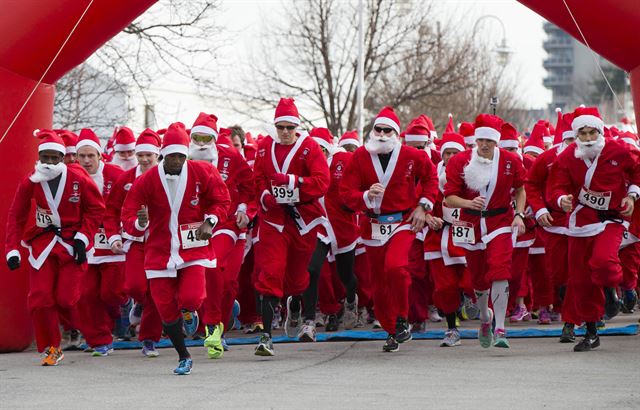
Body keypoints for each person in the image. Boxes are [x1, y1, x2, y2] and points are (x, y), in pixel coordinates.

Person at [122, 122, 231, 374]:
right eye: (171, 156)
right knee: (165, 309)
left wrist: (211, 220)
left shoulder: (202, 172)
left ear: (186, 154)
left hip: (192, 247)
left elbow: (220, 199)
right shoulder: (147, 180)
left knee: (191, 297)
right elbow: (129, 211)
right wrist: (139, 223)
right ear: (163, 155)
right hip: (159, 251)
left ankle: (190, 311)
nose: (176, 161)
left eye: (181, 156)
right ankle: (184, 356)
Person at [340, 106, 438, 352]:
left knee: (396, 267)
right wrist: (364, 195)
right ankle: (392, 330)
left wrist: (423, 207)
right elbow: (345, 192)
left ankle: (403, 318)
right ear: (372, 131)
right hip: (373, 224)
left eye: (388, 130)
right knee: (379, 286)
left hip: (402, 222)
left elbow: (431, 179)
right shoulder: (360, 156)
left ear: (396, 134)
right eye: (378, 129)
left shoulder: (412, 156)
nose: (382, 134)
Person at [5, 130, 104, 365]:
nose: (49, 163)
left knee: (66, 298)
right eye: (45, 158)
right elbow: (15, 215)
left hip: (72, 244)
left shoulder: (79, 179)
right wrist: (12, 248)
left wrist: (83, 237)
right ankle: (52, 347)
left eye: (54, 158)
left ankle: (79, 328)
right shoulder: (30, 181)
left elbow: (96, 209)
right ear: (38, 158)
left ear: (62, 158)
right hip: (43, 244)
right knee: (40, 298)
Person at [549, 106, 640, 352]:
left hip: (612, 218)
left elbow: (637, 170)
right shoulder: (568, 156)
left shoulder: (619, 150)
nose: (588, 139)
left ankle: (612, 292)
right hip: (581, 221)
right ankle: (590, 332)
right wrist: (561, 200)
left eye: (592, 133)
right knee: (580, 280)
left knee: (604, 261)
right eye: (583, 134)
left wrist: (632, 195)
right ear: (576, 135)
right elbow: (557, 184)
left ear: (600, 132)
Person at [252, 98, 330, 356]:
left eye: (289, 127)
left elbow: (322, 182)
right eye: (280, 127)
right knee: (270, 272)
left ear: (297, 126)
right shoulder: (264, 148)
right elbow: (258, 180)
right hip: (274, 220)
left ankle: (295, 302)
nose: (285, 132)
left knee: (299, 278)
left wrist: (293, 182)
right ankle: (266, 337)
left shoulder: (309, 148)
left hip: (302, 221)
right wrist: (266, 196)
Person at [444, 113, 527, 349]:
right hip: (471, 225)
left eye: (489, 141)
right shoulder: (460, 162)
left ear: (496, 142)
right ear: (475, 140)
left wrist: (519, 214)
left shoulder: (511, 160)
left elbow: (521, 189)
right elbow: (449, 197)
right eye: (481, 140)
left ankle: (500, 327)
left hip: (500, 222)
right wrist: (467, 204)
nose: (484, 145)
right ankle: (484, 317)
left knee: (500, 270)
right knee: (478, 279)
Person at [188, 112, 254, 359]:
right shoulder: (181, 159)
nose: (202, 143)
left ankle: (217, 326)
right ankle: (210, 325)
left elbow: (249, 186)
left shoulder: (231, 157)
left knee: (227, 280)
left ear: (215, 140)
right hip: (194, 226)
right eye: (197, 137)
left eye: (207, 138)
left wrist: (244, 208)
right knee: (208, 272)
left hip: (227, 223)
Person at [105, 129, 163, 357]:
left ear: (157, 155)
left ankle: (149, 339)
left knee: (158, 292)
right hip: (136, 242)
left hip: (162, 243)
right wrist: (114, 236)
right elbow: (111, 210)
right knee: (135, 287)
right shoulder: (126, 179)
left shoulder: (166, 176)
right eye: (141, 155)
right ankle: (138, 304)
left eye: (149, 154)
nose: (145, 159)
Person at [298, 127, 359, 341]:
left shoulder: (345, 160)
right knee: (312, 269)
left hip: (342, 227)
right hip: (318, 226)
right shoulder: (305, 164)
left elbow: (360, 184)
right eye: (315, 149)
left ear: (330, 149)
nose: (319, 154)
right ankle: (309, 321)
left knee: (345, 276)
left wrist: (354, 202)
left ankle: (351, 298)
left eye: (322, 149)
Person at [526, 110, 578, 342]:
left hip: (588, 223)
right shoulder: (547, 159)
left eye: (578, 138)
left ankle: (579, 318)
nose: (574, 144)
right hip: (555, 223)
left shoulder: (598, 156)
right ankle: (568, 311)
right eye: (569, 139)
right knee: (558, 273)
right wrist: (540, 209)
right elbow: (531, 184)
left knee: (585, 269)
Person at [74, 129, 126, 356]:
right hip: (85, 244)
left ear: (99, 156)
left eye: (91, 156)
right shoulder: (71, 176)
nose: (86, 161)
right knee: (86, 294)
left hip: (113, 243)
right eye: (82, 156)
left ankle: (119, 313)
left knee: (111, 293)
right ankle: (100, 339)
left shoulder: (116, 175)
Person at [423, 131, 471, 346]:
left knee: (472, 282)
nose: (451, 157)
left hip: (468, 238)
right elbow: (422, 203)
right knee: (445, 288)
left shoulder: (475, 177)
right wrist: (428, 218)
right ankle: (452, 329)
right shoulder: (433, 178)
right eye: (447, 153)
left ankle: (487, 316)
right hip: (439, 239)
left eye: (455, 153)